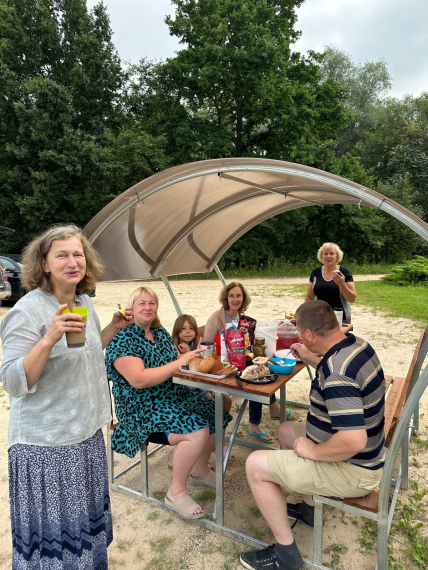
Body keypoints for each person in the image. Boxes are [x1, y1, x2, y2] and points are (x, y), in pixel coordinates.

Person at [0, 224, 131, 570]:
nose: (73, 262)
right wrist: (49, 337)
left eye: (78, 254)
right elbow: (12, 381)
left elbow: (84, 355)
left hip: (85, 436)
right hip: (49, 447)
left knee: (84, 536)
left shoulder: (81, 301)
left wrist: (112, 328)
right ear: (43, 263)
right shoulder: (27, 311)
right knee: (57, 548)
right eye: (62, 255)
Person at [240, 301, 386, 570]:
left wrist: (312, 451)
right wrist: (312, 359)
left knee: (254, 465)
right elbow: (340, 377)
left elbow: (353, 440)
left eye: (299, 332)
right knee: (285, 430)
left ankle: (285, 554)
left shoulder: (337, 372)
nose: (299, 337)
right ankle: (309, 510)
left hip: (355, 469)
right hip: (365, 453)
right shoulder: (356, 345)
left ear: (308, 334)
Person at [105, 287, 233, 520]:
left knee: (216, 412)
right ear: (130, 308)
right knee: (196, 429)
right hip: (140, 408)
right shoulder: (122, 339)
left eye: (152, 303)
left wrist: (193, 360)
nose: (147, 307)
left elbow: (175, 364)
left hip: (172, 397)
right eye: (142, 303)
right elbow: (139, 379)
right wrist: (180, 361)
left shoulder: (160, 333)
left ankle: (200, 470)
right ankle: (175, 493)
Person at [204, 282, 299, 444]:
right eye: (231, 296)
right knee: (255, 377)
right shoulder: (216, 318)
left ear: (243, 298)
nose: (235, 299)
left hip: (241, 360)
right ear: (226, 298)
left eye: (238, 295)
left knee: (262, 367)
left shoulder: (242, 317)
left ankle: (272, 407)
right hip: (225, 366)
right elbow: (206, 347)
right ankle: (259, 420)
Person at [171, 314, 232, 413]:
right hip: (185, 388)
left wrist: (211, 353)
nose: (188, 331)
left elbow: (202, 365)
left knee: (226, 400)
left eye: (191, 328)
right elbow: (180, 360)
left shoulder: (197, 343)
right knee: (212, 405)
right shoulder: (173, 345)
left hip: (201, 385)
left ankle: (221, 423)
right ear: (177, 331)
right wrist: (187, 352)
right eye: (183, 328)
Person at [305, 242, 357, 324]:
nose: (328, 256)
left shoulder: (344, 272)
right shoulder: (316, 272)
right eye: (325, 254)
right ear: (321, 256)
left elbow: (352, 299)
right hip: (318, 317)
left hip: (340, 318)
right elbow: (309, 296)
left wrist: (341, 284)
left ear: (337, 256)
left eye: (332, 254)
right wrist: (305, 313)